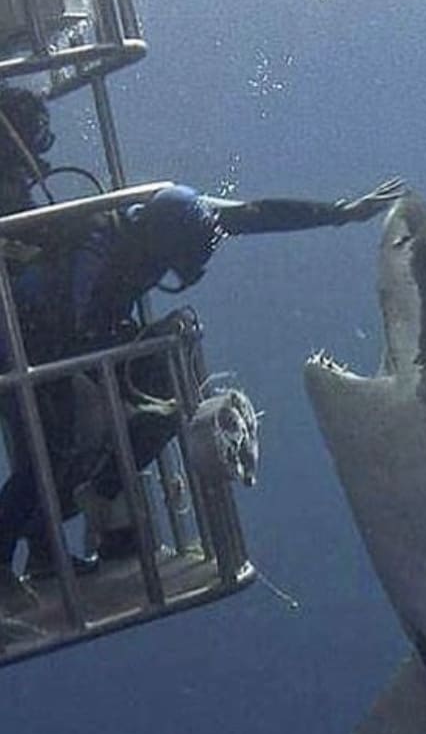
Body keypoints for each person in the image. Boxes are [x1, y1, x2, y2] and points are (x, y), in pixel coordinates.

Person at [0, 82, 405, 605]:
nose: (182, 270)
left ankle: (64, 539)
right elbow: (75, 332)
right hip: (26, 347)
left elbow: (253, 213)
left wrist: (339, 212)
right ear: (158, 244)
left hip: (60, 336)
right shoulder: (98, 243)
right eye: (177, 261)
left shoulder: (171, 212)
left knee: (149, 398)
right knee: (53, 456)